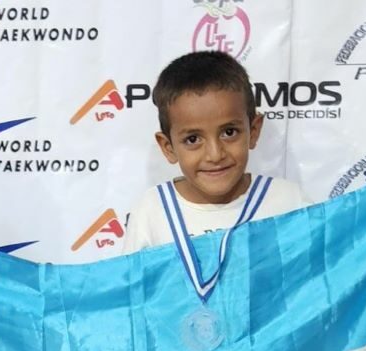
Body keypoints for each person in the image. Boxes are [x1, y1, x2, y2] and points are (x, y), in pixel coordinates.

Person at [123, 51, 308, 254]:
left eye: (229, 132)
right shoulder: (152, 211)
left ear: (253, 131)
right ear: (168, 147)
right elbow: (135, 285)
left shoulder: (290, 202)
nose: (215, 154)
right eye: (192, 139)